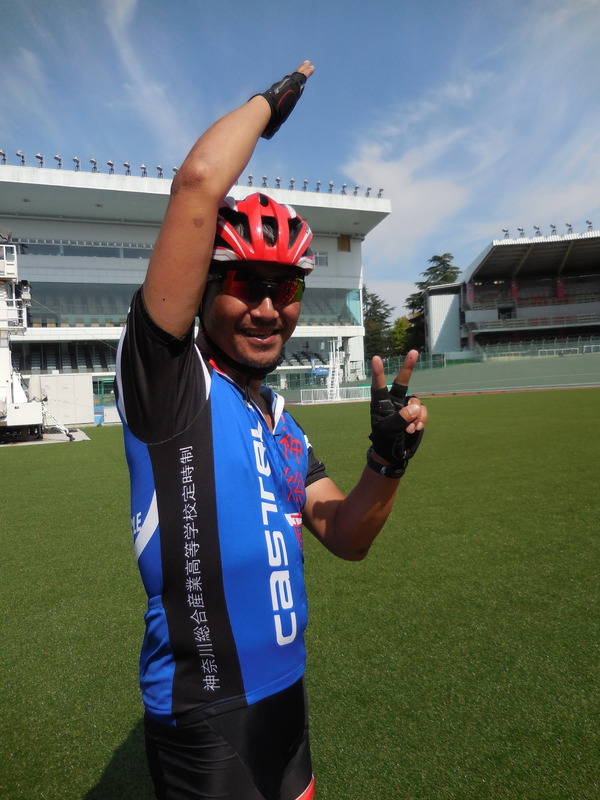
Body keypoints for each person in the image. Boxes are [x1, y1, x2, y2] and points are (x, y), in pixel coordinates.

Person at [115, 60, 427, 800]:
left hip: (287, 700)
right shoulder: (170, 382)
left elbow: (344, 534)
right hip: (202, 716)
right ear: (208, 291)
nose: (266, 308)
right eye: (245, 285)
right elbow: (198, 184)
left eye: (283, 288)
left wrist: (386, 462)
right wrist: (269, 103)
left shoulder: (276, 417)